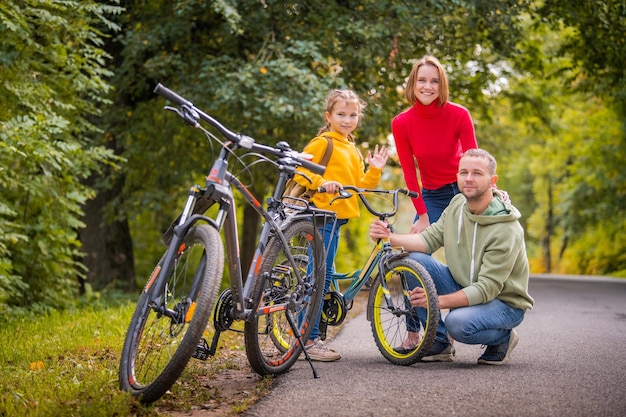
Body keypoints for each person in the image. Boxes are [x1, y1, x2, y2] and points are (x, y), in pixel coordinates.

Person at [369, 148, 534, 365]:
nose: (468, 178)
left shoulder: (505, 228)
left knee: (457, 324)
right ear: (456, 176)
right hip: (463, 284)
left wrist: (436, 301)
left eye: (477, 173)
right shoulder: (457, 204)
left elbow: (486, 288)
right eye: (463, 172)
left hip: (503, 301)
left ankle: (503, 337)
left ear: (492, 180)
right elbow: (427, 240)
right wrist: (388, 237)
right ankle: (438, 343)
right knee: (412, 259)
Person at [294, 89, 388, 361]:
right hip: (321, 215)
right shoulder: (323, 143)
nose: (347, 120)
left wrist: (376, 168)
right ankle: (307, 342)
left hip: (339, 218)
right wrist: (322, 183)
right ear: (329, 116)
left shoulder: (352, 148)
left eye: (352, 115)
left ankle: (313, 332)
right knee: (318, 279)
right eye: (341, 114)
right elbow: (300, 169)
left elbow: (360, 188)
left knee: (325, 276)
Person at [392, 55, 477, 234]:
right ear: (413, 84)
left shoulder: (459, 114)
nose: (428, 86)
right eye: (422, 80)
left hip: (465, 190)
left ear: (442, 85)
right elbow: (409, 174)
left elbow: (474, 160)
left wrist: (491, 190)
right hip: (434, 196)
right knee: (415, 254)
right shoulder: (401, 123)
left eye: (435, 81)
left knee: (472, 252)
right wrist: (423, 216)